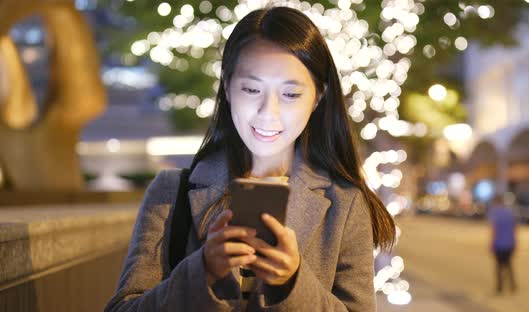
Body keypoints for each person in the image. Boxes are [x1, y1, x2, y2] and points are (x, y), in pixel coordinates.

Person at [104, 6, 396, 312]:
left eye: (290, 95)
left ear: (318, 97)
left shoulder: (345, 205)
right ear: (228, 87)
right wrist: (201, 272)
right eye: (252, 88)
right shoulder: (171, 192)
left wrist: (293, 284)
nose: (268, 112)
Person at [488, 193, 518, 295]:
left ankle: (499, 287)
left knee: (499, 266)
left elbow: (494, 230)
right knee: (509, 265)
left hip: (499, 244)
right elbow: (514, 229)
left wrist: (492, 244)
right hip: (510, 243)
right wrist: (515, 242)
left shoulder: (495, 213)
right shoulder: (510, 212)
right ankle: (512, 285)